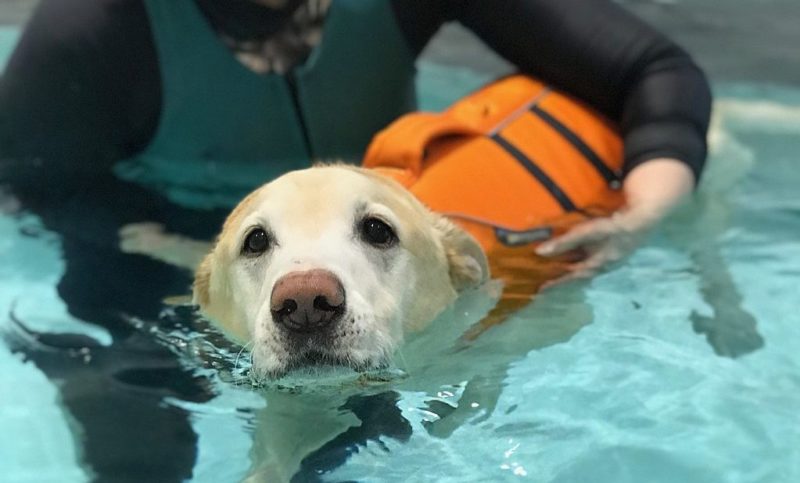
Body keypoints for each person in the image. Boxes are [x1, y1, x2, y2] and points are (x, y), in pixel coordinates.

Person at [0, 0, 711, 479]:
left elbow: (657, 72)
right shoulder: (89, 30)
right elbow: (24, 182)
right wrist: (161, 243)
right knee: (131, 415)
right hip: (145, 242)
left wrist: (640, 217)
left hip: (385, 245)